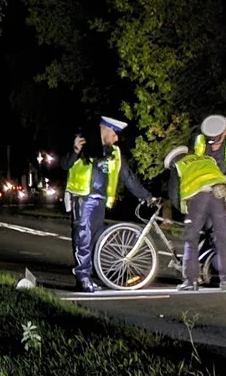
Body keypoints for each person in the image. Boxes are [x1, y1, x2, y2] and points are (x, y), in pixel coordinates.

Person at [63, 116, 158, 293]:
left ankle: (91, 275)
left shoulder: (114, 153)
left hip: (99, 200)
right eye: (114, 133)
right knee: (83, 237)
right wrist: (75, 151)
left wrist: (147, 197)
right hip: (83, 198)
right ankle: (82, 277)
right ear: (105, 130)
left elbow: (128, 177)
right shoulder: (83, 144)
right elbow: (65, 164)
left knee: (96, 240)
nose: (116, 138)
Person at [164, 145, 226, 291]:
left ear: (172, 161)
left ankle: (191, 282)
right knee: (220, 240)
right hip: (218, 194)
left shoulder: (178, 166)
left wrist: (184, 212)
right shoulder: (208, 159)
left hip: (198, 198)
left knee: (191, 240)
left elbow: (174, 194)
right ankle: (225, 281)